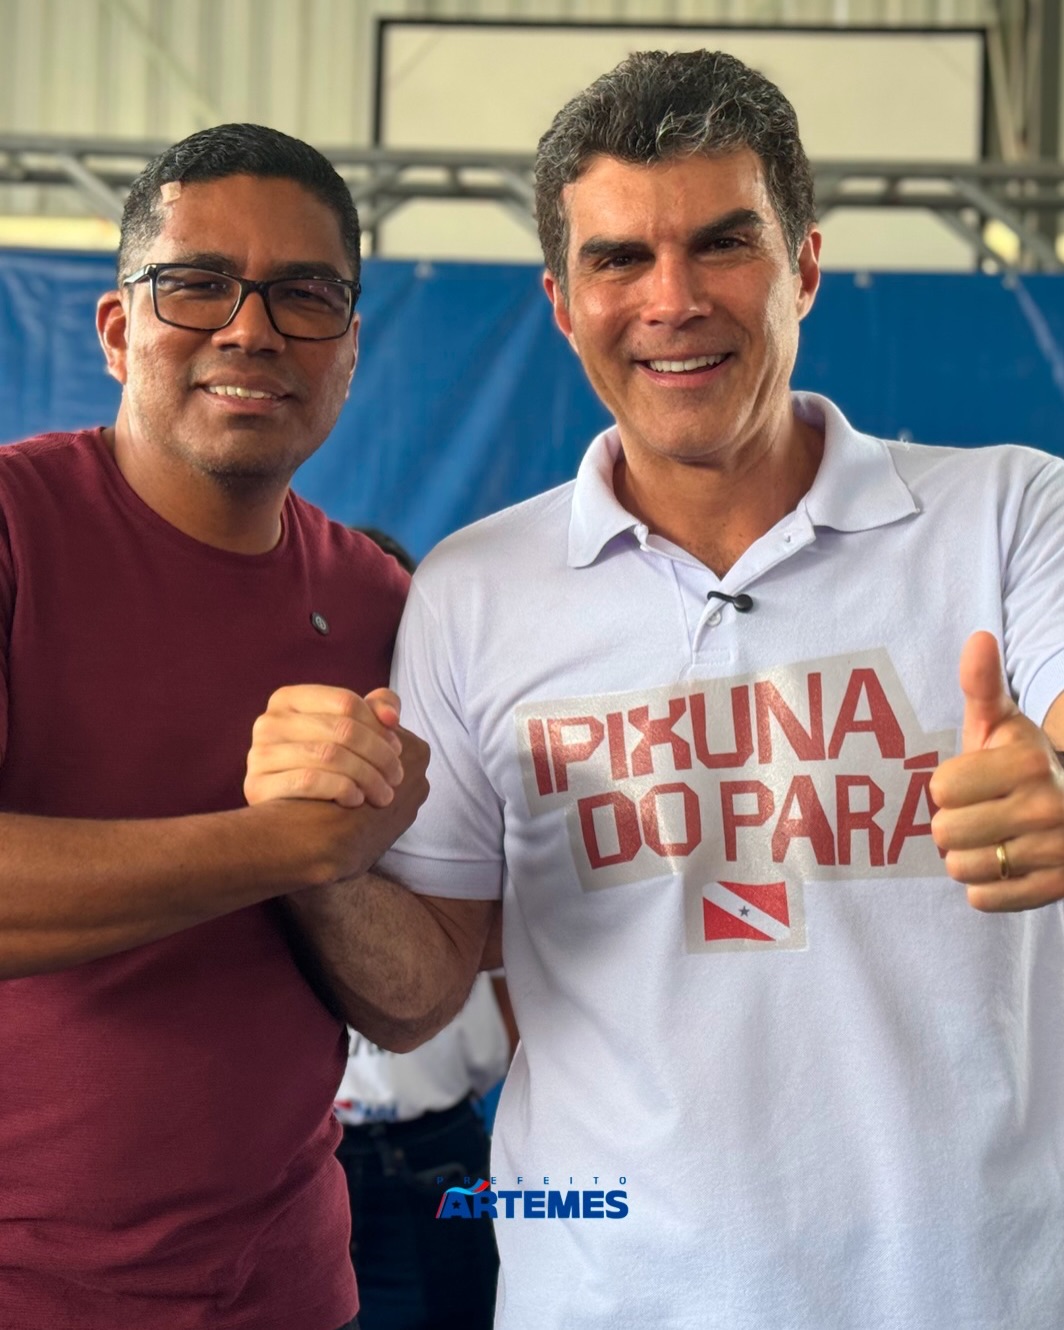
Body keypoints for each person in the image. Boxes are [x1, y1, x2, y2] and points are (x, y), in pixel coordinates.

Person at [245, 50, 1064, 1330]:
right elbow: (416, 999)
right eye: (619, 258)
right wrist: (311, 855)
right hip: (603, 1295)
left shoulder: (1009, 511)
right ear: (562, 303)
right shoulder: (472, 590)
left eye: (722, 243)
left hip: (970, 1293)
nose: (670, 301)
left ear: (803, 265)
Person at [0, 122, 430, 1330]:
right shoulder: (16, 529)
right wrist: (286, 842)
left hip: (289, 1291)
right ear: (116, 327)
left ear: (349, 348)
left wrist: (332, 877)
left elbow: (410, 1004)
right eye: (196, 284)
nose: (251, 329)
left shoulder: (381, 603)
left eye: (304, 294)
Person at [334, 531, 513, 1330]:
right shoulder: (281, 776)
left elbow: (534, 948)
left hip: (441, 1147)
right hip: (310, 1153)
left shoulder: (468, 767)